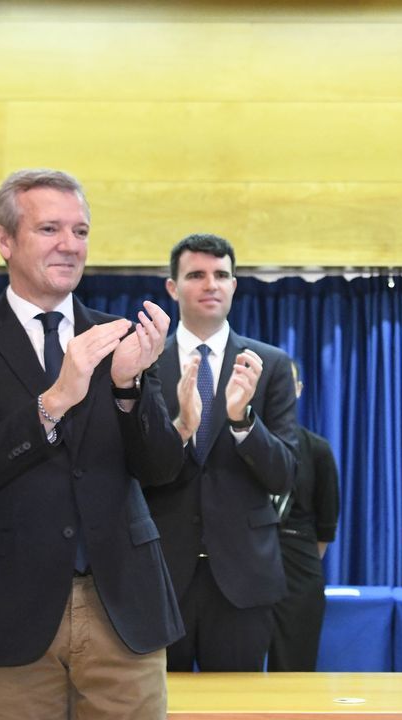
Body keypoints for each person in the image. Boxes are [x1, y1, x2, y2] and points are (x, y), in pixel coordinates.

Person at [0, 169, 185, 719]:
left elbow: (161, 469)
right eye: (49, 229)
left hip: (123, 609)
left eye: (81, 231)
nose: (70, 244)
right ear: (4, 240)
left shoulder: (119, 336)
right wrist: (54, 402)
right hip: (3, 612)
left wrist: (129, 387)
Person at [144, 233, 298, 672]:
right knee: (156, 706)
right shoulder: (144, 366)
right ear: (173, 288)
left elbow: (284, 476)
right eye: (196, 275)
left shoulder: (268, 366)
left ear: (234, 285)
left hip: (244, 576)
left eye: (221, 275)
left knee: (238, 708)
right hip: (161, 574)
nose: (210, 284)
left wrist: (243, 420)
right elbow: (132, 472)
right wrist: (181, 427)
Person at [267, 361, 341, 672]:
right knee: (236, 670)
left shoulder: (318, 449)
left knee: (295, 666)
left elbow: (326, 526)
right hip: (244, 561)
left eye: (288, 383)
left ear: (298, 390)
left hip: (298, 564)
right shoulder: (233, 443)